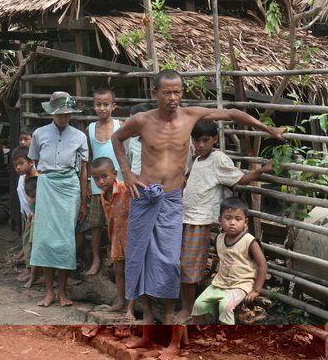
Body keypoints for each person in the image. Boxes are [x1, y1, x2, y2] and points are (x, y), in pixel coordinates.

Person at [111, 70, 283, 341]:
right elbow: (116, 138)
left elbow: (233, 114)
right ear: (155, 93)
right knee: (139, 258)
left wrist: (269, 130)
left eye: (178, 91)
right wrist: (126, 172)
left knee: (169, 260)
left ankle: (168, 314)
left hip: (171, 200)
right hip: (144, 199)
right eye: (167, 92)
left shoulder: (190, 116)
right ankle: (146, 318)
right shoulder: (141, 121)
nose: (173, 97)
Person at [175, 119, 274, 324]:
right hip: (187, 216)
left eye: (205, 140)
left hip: (200, 219)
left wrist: (258, 172)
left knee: (189, 267)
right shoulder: (197, 160)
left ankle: (187, 308)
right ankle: (194, 307)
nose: (200, 145)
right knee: (184, 265)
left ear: (213, 140)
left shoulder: (218, 158)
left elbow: (238, 178)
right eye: (196, 140)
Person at [28, 91, 89, 307]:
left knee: (65, 240)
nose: (63, 118)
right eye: (59, 114)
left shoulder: (80, 136)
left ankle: (63, 292)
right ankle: (48, 292)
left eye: (67, 114)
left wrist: (83, 201)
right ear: (51, 113)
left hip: (69, 186)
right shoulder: (39, 134)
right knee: (44, 239)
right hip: (47, 185)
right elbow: (34, 161)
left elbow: (83, 172)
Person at [191, 197, 267, 325]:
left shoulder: (249, 241)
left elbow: (262, 265)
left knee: (225, 307)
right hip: (220, 283)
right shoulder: (219, 238)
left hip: (241, 284)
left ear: (246, 222)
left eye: (238, 219)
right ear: (220, 220)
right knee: (198, 305)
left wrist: (256, 290)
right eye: (228, 218)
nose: (232, 222)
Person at [79, 87, 122, 276]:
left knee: (117, 224)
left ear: (113, 106)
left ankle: (115, 258)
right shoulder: (89, 129)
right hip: (97, 187)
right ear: (93, 106)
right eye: (98, 104)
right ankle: (96, 259)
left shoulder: (121, 126)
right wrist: (88, 182)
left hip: (118, 186)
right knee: (95, 225)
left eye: (106, 104)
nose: (102, 108)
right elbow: (87, 160)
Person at [91, 156, 135, 319]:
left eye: (104, 176)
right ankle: (121, 302)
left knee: (132, 272)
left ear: (114, 174)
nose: (100, 181)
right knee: (118, 271)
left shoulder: (125, 189)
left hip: (131, 238)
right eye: (96, 178)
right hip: (116, 239)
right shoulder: (103, 196)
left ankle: (131, 306)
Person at [12, 146, 38, 282]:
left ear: (31, 162)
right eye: (15, 165)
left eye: (21, 163)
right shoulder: (23, 177)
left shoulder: (36, 178)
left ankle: (32, 270)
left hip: (34, 217)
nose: (18, 167)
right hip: (26, 215)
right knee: (26, 241)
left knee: (31, 243)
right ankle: (29, 268)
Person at [22, 175, 41, 288]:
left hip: (41, 227)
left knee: (38, 251)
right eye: (29, 196)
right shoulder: (32, 200)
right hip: (34, 226)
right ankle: (33, 276)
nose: (31, 199)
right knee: (33, 250)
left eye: (34, 196)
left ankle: (35, 276)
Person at [126, 103, 154, 176]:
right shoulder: (132, 142)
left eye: (133, 122)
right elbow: (130, 162)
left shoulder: (157, 143)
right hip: (135, 183)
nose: (129, 125)